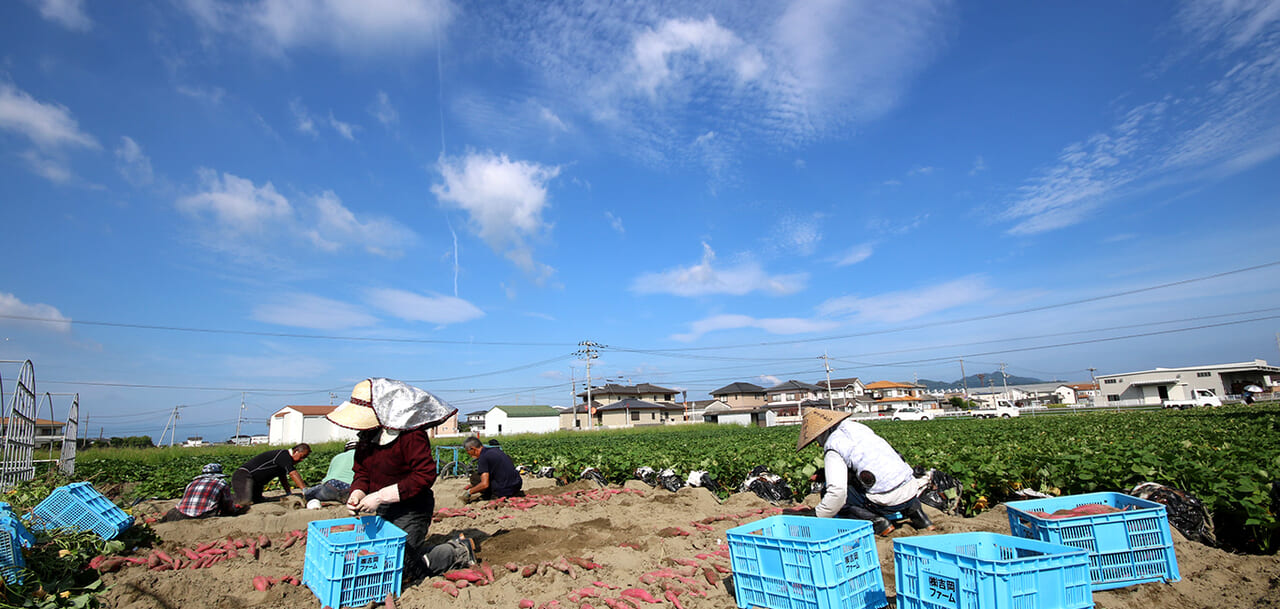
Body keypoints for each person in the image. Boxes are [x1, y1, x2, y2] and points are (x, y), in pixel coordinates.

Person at [327, 378, 476, 580]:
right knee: (380, 562)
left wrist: (380, 496)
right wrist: (358, 492)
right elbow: (361, 471)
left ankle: (458, 551)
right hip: (384, 508)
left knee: (401, 568)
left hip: (412, 508)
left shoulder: (410, 435)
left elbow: (424, 475)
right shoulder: (366, 438)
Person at [797, 409, 935, 536]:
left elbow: (837, 493)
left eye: (815, 439)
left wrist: (817, 516)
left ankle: (878, 523)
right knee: (892, 478)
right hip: (911, 489)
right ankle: (921, 519)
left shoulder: (834, 445)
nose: (818, 443)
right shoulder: (858, 428)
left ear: (821, 433)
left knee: (835, 496)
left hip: (887, 500)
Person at [231, 443, 310, 507]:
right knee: (244, 501)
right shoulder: (284, 455)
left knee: (258, 501)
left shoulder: (284, 460)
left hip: (257, 483)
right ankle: (225, 498)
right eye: (302, 457)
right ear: (296, 452)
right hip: (243, 476)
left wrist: (288, 493)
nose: (301, 460)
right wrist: (304, 490)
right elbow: (293, 473)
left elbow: (283, 477)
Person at [159, 463, 237, 522]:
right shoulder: (221, 483)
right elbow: (228, 504)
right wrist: (234, 511)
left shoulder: (192, 483)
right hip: (203, 515)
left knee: (170, 514)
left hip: (181, 514)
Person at [461, 436, 523, 502]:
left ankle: (490, 495)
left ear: (473, 449)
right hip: (517, 485)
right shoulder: (495, 450)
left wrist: (469, 492)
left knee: (474, 478)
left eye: (468, 452)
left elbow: (485, 484)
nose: (470, 455)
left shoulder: (483, 458)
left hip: (504, 490)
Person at [302, 441, 358, 507]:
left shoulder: (337, 457)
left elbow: (327, 478)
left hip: (331, 486)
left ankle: (314, 504)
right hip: (350, 488)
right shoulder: (364, 457)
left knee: (309, 494)